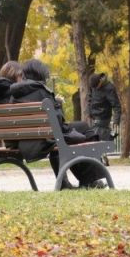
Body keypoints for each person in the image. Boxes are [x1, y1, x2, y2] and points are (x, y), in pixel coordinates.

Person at [9, 59, 106, 188]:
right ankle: (90, 180)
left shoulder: (14, 94)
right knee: (82, 131)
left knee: (80, 129)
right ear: (40, 74)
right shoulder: (42, 91)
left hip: (25, 141)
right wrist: (58, 106)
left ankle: (80, 181)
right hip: (44, 140)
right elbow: (58, 122)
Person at [87, 72, 122, 142]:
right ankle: (113, 134)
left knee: (100, 141)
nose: (96, 89)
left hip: (103, 118)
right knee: (93, 139)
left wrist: (116, 122)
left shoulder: (109, 88)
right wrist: (89, 112)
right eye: (94, 88)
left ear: (100, 81)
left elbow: (117, 106)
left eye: (97, 87)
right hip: (93, 118)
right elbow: (90, 98)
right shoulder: (93, 85)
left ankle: (114, 133)